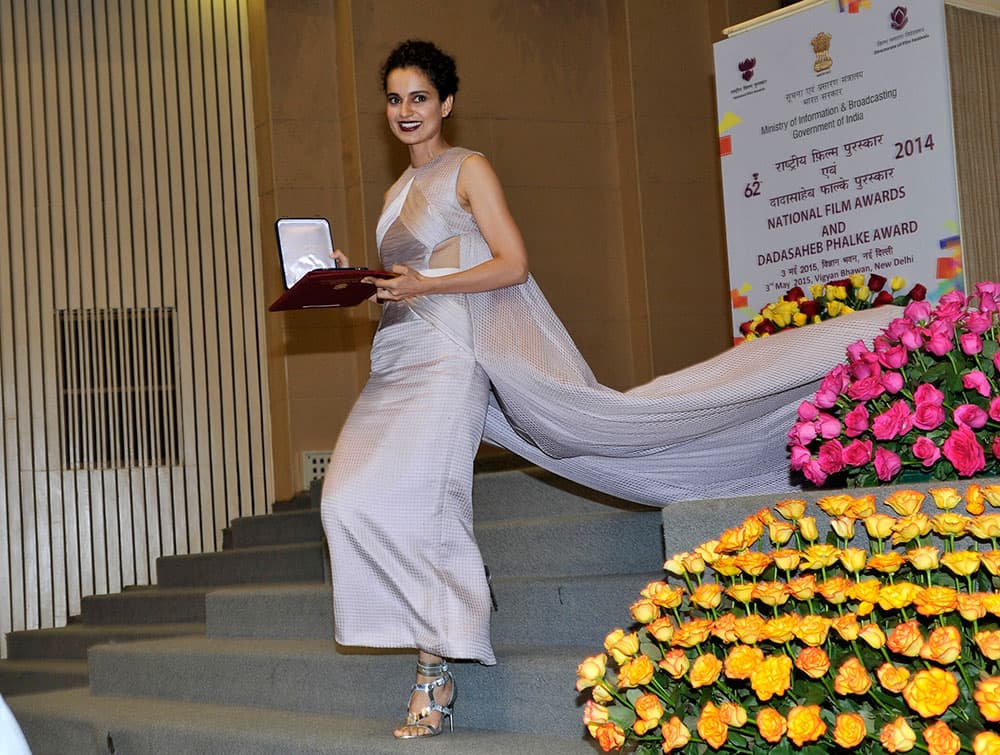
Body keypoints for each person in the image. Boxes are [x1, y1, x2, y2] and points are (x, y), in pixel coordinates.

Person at [320, 40, 899, 739]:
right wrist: (357, 281)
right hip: (399, 355)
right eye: (394, 98)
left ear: (446, 104)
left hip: (450, 358)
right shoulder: (392, 194)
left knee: (425, 498)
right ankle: (458, 593)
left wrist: (428, 285)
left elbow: (511, 264)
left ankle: (434, 669)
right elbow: (407, 286)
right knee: (346, 496)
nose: (405, 111)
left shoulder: (468, 169)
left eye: (419, 97)